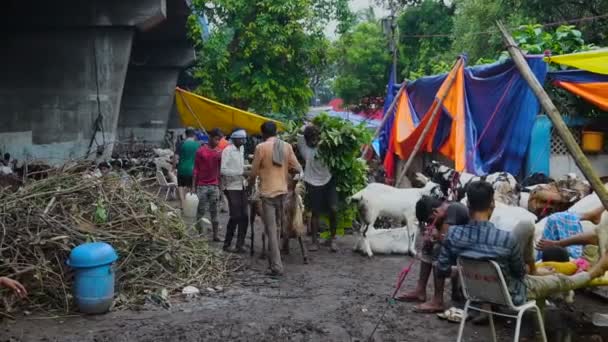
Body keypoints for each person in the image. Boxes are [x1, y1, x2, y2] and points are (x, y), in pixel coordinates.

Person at [437, 181, 608, 306]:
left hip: (473, 292)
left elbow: (442, 269)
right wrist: (534, 271)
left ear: (467, 204)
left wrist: (469, 271)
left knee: (526, 229)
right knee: (560, 280)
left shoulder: (453, 234)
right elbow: (519, 274)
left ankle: (536, 270)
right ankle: (592, 273)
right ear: (492, 204)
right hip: (511, 293)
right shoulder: (505, 240)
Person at [398, 197, 469, 313]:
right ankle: (420, 290)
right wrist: (431, 238)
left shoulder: (453, 209)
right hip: (457, 249)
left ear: (435, 211)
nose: (430, 224)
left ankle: (438, 301)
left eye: (430, 221)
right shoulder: (444, 213)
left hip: (467, 253)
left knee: (438, 249)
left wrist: (435, 236)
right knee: (428, 246)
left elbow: (445, 239)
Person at [249, 121, 302, 276]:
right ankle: (274, 262)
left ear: (263, 133)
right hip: (283, 192)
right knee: (278, 228)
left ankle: (277, 267)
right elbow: (298, 168)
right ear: (276, 132)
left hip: (267, 194)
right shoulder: (286, 146)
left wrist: (250, 184)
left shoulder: (261, 148)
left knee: (271, 230)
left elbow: (253, 173)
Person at [297, 124, 338, 252]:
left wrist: (321, 128)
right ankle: (314, 241)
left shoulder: (326, 146)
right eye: (311, 139)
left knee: (334, 209)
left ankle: (332, 239)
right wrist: (309, 125)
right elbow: (300, 131)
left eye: (316, 138)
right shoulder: (303, 147)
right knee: (315, 212)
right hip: (311, 182)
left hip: (328, 180)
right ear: (306, 139)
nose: (313, 141)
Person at [221, 128, 249, 253]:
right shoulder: (227, 150)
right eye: (241, 138)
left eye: (244, 138)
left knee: (245, 216)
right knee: (235, 216)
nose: (244, 141)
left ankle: (240, 244)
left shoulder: (241, 149)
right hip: (231, 186)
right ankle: (227, 244)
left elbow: (240, 166)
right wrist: (240, 172)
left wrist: (248, 168)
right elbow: (223, 170)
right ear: (235, 139)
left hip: (241, 185)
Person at [193, 128, 223, 241]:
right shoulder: (200, 151)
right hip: (202, 186)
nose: (217, 142)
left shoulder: (219, 152)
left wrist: (221, 187)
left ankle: (215, 235)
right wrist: (193, 186)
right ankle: (200, 235)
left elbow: (220, 171)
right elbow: (195, 169)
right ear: (210, 138)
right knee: (200, 212)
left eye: (219, 140)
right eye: (216, 139)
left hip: (214, 186)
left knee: (215, 212)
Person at [175, 128, 200, 207]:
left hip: (181, 169)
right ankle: (190, 205)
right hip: (193, 170)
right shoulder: (198, 145)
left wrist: (173, 168)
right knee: (191, 187)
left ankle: (182, 203)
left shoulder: (181, 143)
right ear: (194, 135)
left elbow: (175, 157)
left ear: (185, 135)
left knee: (181, 186)